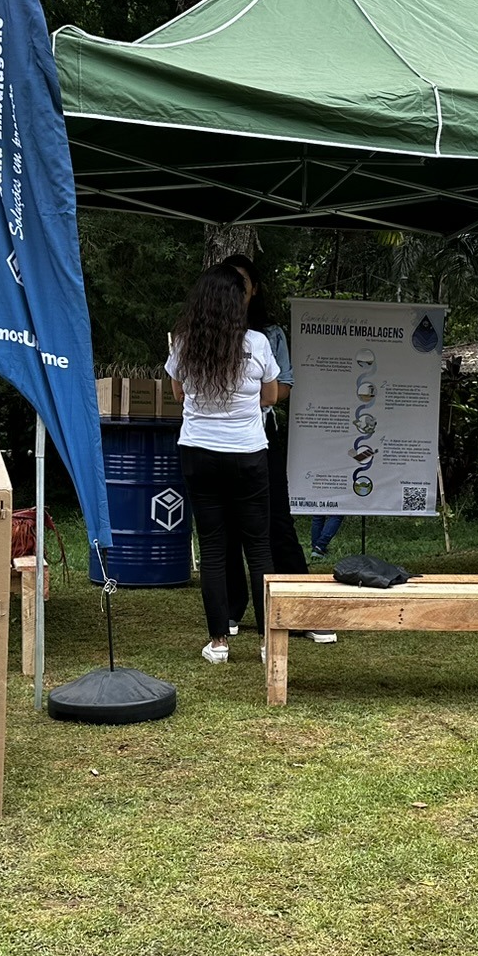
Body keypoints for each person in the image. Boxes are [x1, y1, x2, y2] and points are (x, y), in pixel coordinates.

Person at [219, 254, 336, 643]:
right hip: (215, 445)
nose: (236, 291)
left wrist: (238, 398)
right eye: (228, 282)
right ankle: (230, 611)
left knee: (276, 524)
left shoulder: (268, 335)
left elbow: (279, 389)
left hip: (259, 441)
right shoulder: (206, 330)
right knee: (224, 528)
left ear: (254, 289)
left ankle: (300, 608)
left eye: (243, 283)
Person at [166, 265, 280, 664]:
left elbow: (178, 393)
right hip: (248, 453)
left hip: (198, 453)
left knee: (213, 548)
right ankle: (269, 642)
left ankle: (218, 642)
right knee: (259, 548)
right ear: (238, 303)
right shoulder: (258, 344)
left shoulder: (183, 344)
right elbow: (271, 396)